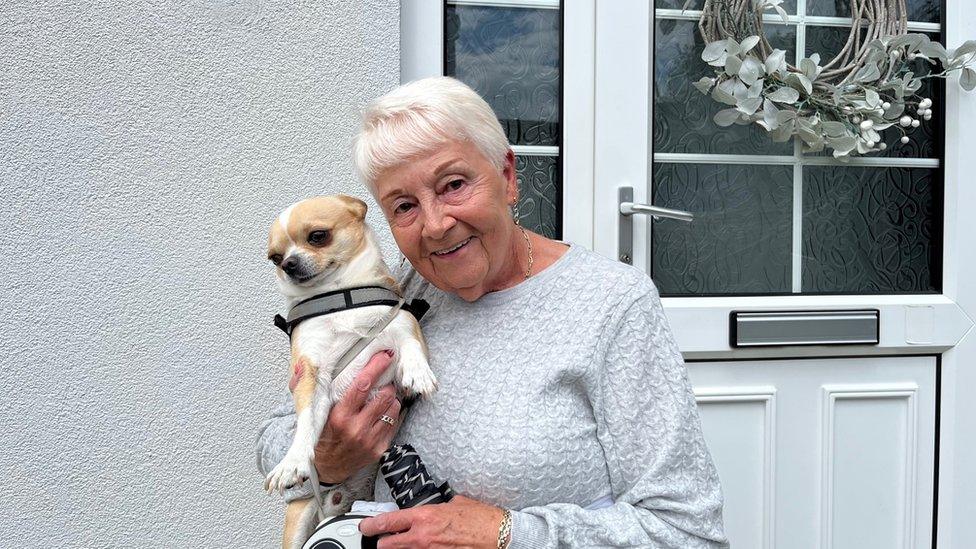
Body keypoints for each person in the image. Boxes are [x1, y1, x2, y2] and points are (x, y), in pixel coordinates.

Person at [256, 76, 729, 548]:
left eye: (454, 185)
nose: (436, 225)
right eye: (404, 206)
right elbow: (276, 441)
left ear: (507, 176)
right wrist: (328, 456)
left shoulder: (611, 304)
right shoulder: (392, 292)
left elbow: (686, 530)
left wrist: (507, 533)